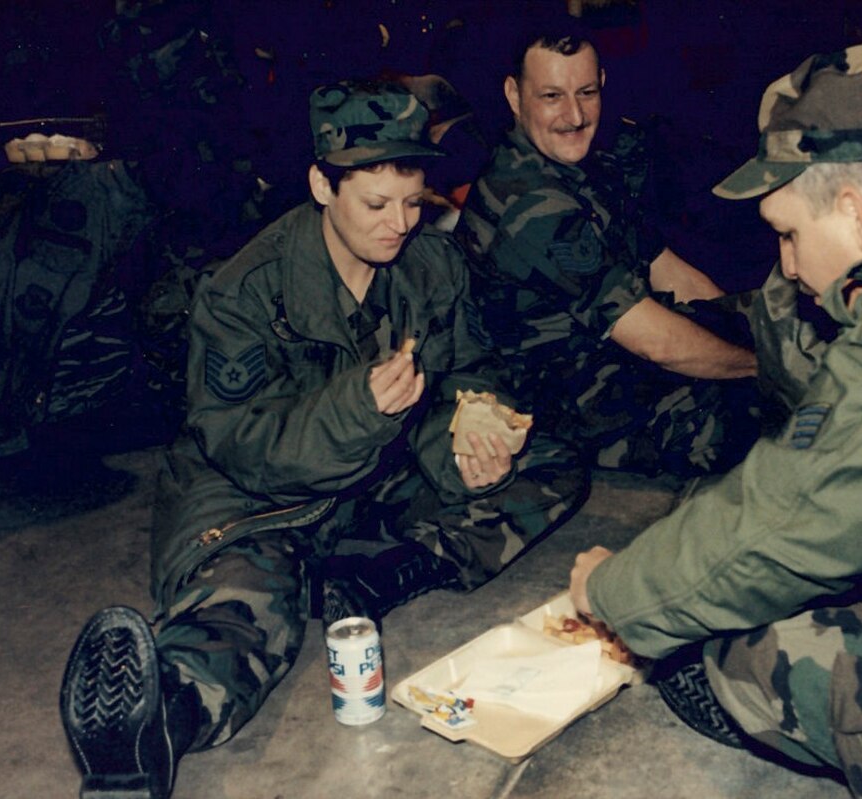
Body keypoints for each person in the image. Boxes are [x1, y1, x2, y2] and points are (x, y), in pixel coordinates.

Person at [59, 80, 589, 799]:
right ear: (321, 186)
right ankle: (150, 730)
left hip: (377, 478)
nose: (400, 224)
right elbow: (241, 441)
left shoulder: (430, 265)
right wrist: (357, 409)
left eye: (414, 201)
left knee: (552, 462)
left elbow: (468, 367)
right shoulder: (243, 291)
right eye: (376, 204)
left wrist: (473, 433)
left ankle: (384, 575)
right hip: (256, 499)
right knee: (250, 608)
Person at [569, 42, 862, 797]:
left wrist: (615, 595)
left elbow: (791, 517)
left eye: (789, 233)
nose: (789, 265)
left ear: (856, 213)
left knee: (757, 640)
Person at [455, 27, 760, 480]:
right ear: (514, 96)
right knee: (759, 419)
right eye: (552, 96)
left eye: (586, 92)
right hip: (569, 405)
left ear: (602, 82)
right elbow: (657, 343)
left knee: (778, 321)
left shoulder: (580, 167)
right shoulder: (529, 204)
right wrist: (763, 367)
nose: (575, 116)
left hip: (617, 360)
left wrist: (751, 326)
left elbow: (671, 272)